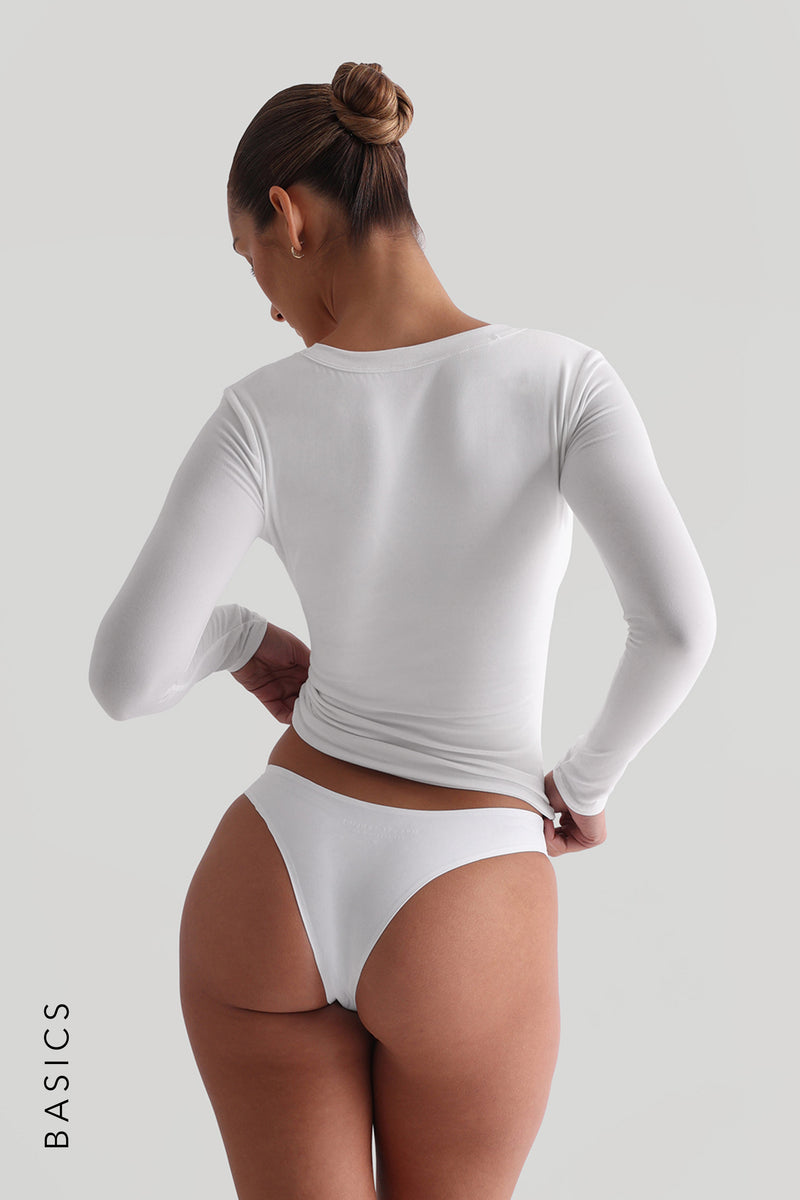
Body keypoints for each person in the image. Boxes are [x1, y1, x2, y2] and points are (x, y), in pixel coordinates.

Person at [88, 61, 717, 1200]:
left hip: (273, 871)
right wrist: (582, 785)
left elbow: (126, 680)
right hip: (467, 889)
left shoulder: (259, 413)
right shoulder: (562, 381)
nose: (268, 305)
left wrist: (240, 638)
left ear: (288, 216)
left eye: (252, 264)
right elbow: (676, 626)